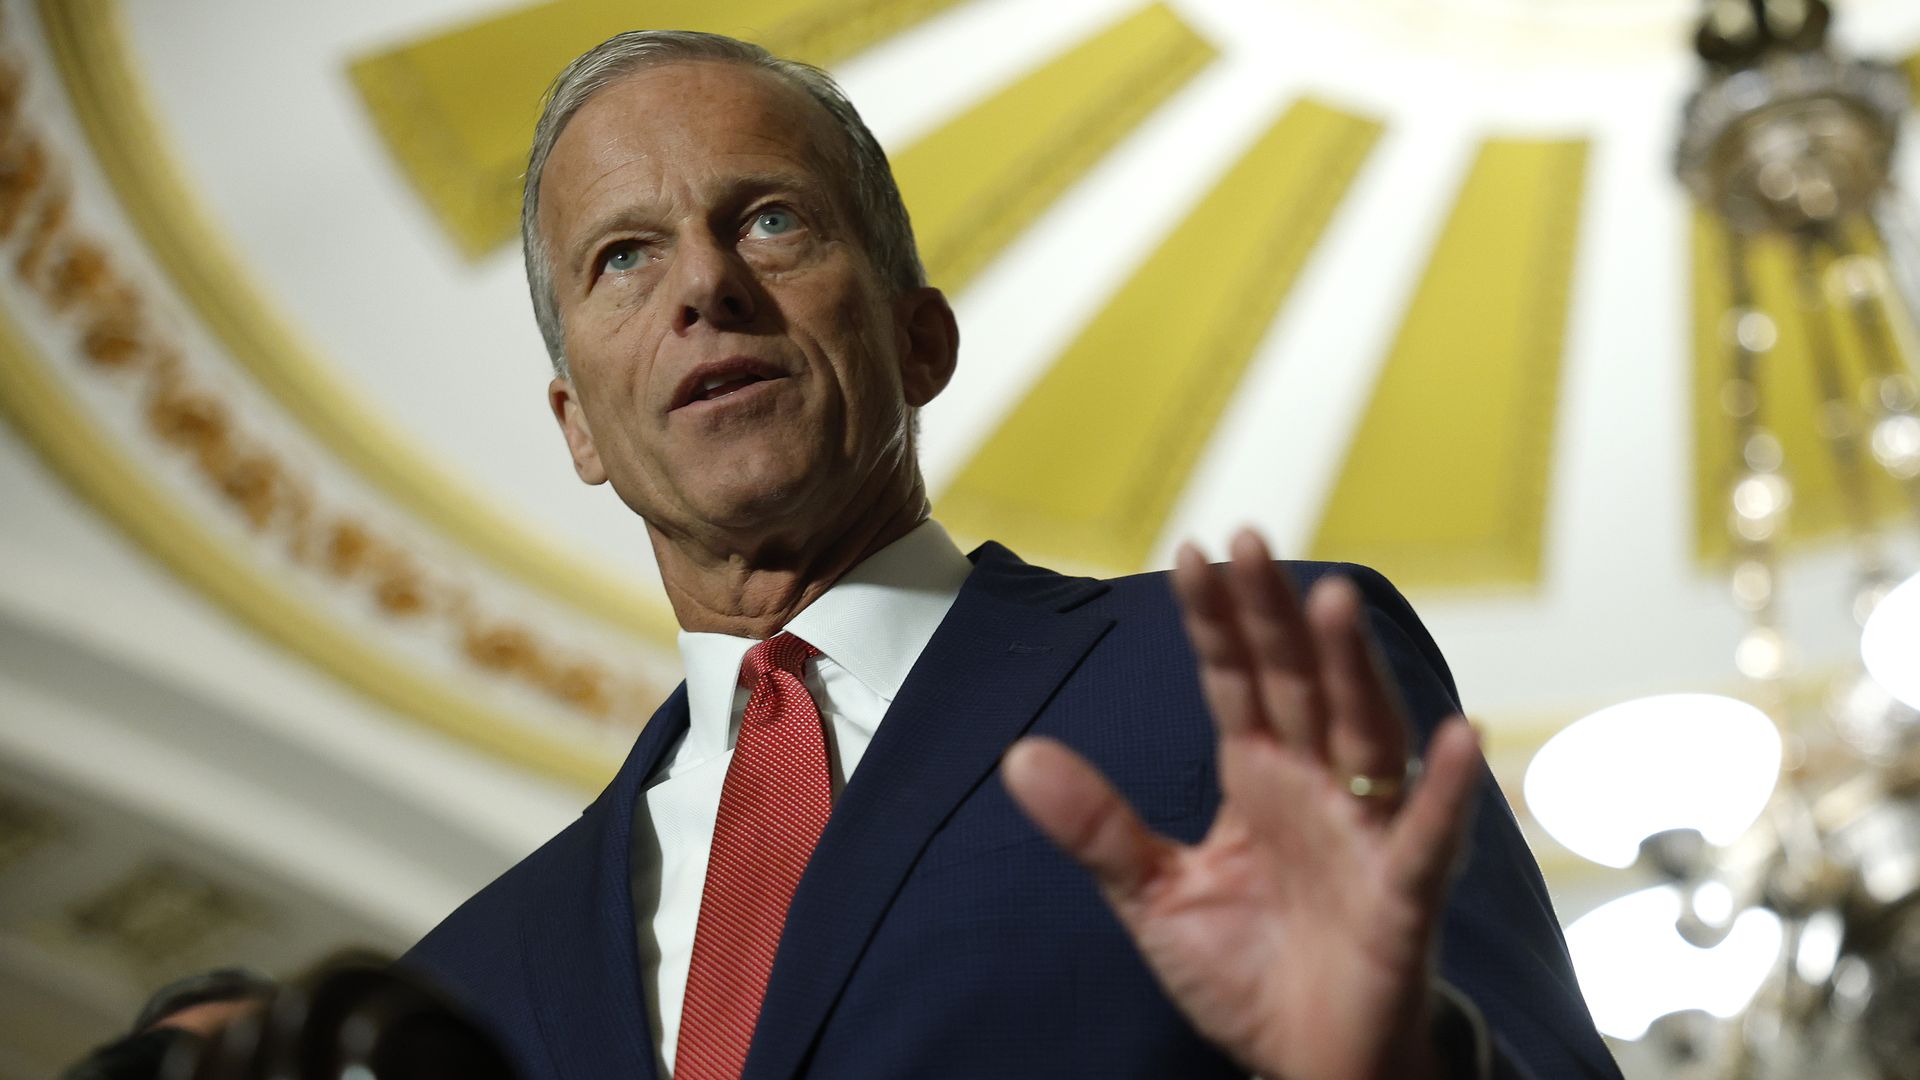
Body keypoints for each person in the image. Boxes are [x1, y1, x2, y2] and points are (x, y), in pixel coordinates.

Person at [401, 29, 1620, 1080]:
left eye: (770, 220)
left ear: (920, 339)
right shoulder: (458, 989)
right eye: (624, 256)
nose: (706, 284)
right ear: (579, 428)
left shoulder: (1243, 681)